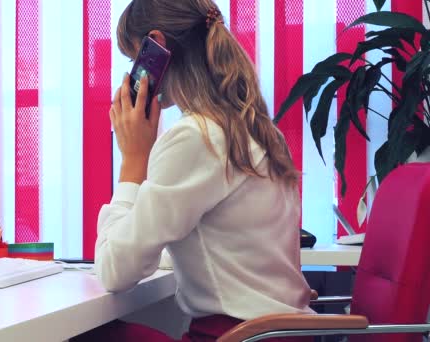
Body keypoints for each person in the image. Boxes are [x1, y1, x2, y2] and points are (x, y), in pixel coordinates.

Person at [75, 0, 314, 341]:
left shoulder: (195, 137)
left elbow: (114, 270)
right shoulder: (255, 129)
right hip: (277, 334)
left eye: (133, 59)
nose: (133, 72)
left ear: (155, 45)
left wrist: (132, 162)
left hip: (235, 335)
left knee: (89, 336)